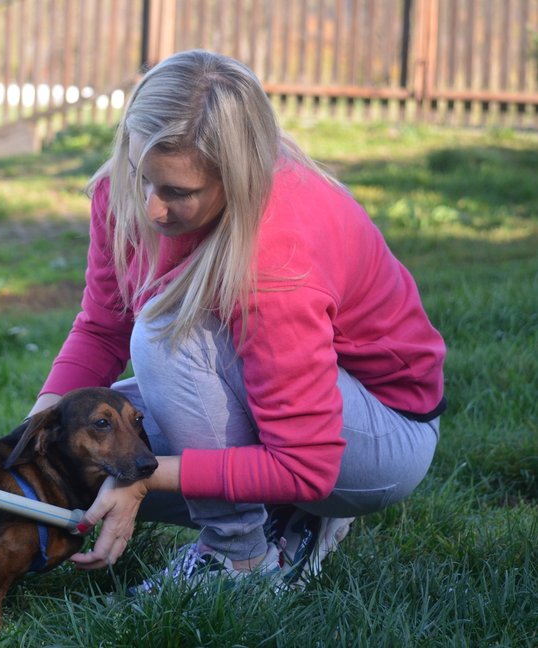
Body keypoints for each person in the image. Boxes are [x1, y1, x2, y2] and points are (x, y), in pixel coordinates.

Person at [23, 50, 446, 592]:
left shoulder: (278, 257)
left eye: (178, 193)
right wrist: (34, 433)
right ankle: (294, 526)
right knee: (78, 447)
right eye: (142, 176)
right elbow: (102, 326)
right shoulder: (125, 193)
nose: (152, 208)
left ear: (237, 177)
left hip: (378, 435)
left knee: (165, 334)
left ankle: (240, 559)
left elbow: (305, 466)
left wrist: (141, 481)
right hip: (277, 398)